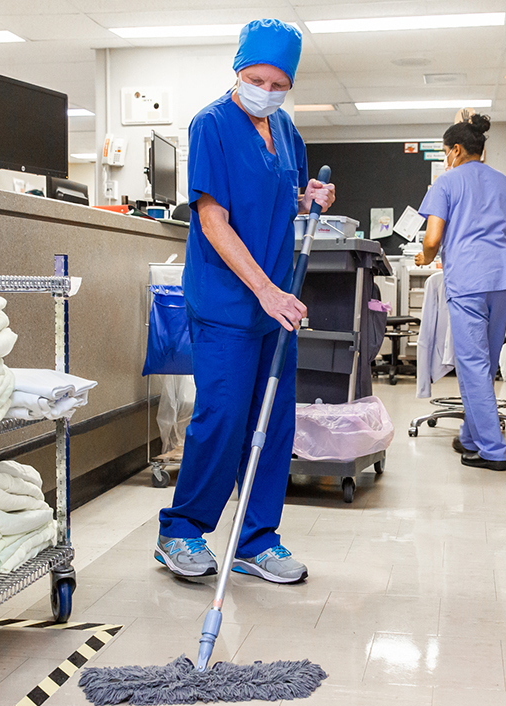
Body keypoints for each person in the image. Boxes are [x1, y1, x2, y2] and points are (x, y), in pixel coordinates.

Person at [155, 19, 335, 584]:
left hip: (277, 304)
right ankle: (181, 530)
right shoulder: (211, 124)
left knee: (273, 423)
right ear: (238, 71)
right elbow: (213, 218)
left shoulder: (287, 134)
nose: (266, 90)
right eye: (255, 78)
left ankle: (256, 540)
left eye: (278, 83)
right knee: (225, 417)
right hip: (230, 302)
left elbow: (287, 201)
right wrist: (265, 289)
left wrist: (311, 198)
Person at [414, 114, 506, 471]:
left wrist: (425, 256)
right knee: (484, 364)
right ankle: (469, 435)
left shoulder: (445, 184)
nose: (446, 157)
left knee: (473, 365)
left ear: (457, 150)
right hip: (501, 279)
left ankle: (493, 450)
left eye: (446, 151)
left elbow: (432, 239)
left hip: (467, 281)